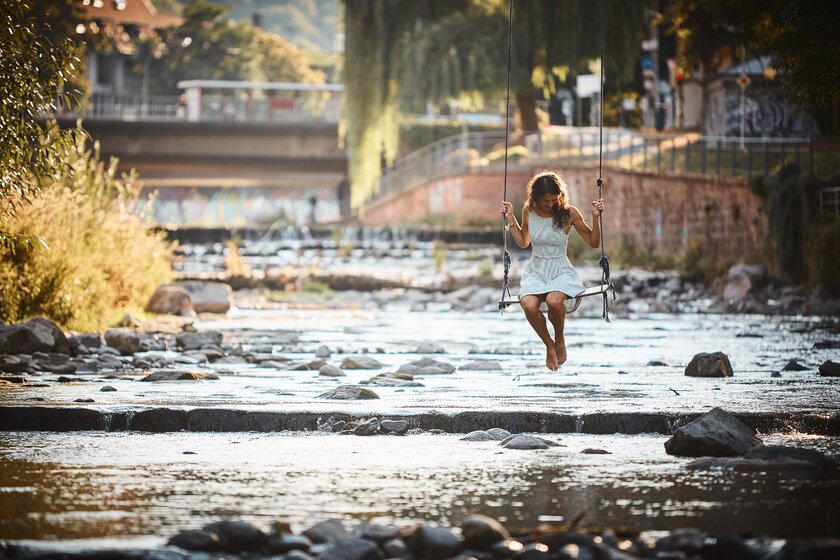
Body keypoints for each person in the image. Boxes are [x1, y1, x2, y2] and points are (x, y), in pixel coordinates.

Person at [500, 171, 605, 371]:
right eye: (546, 200)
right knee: (529, 305)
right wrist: (510, 217)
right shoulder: (528, 211)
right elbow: (523, 242)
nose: (550, 204)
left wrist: (595, 217)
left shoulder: (569, 213)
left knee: (554, 301)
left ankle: (559, 339)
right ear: (536, 198)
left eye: (554, 200)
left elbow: (593, 242)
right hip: (536, 270)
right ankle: (549, 345)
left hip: (560, 270)